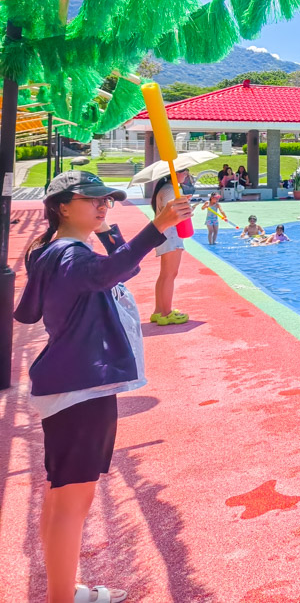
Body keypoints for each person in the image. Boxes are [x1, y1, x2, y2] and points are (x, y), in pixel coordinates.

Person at [15, 170, 192, 603]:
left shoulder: (54, 253)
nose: (102, 205)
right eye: (91, 199)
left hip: (68, 386)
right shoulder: (70, 256)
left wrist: (111, 233)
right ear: (61, 206)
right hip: (82, 387)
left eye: (107, 200)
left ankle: (63, 588)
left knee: (62, 497)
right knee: (72, 501)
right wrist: (158, 227)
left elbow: (115, 274)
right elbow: (104, 274)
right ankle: (62, 597)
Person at [150, 169, 192, 326]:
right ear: (174, 174)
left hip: (164, 233)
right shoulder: (170, 190)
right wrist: (187, 208)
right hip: (171, 234)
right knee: (170, 274)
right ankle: (166, 313)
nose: (186, 175)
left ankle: (159, 310)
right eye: (184, 172)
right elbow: (174, 215)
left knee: (164, 274)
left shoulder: (166, 189)